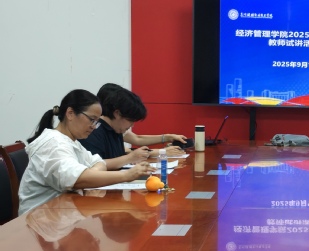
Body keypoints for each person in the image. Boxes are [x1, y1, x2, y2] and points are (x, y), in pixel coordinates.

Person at [18, 89, 154, 215]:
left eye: (97, 122)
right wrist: (127, 175)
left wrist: (90, 173)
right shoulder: (53, 144)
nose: (94, 127)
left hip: (62, 212)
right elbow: (76, 179)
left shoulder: (72, 141)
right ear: (70, 113)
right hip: (40, 219)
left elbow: (98, 162)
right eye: (92, 120)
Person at [80, 83, 187, 168]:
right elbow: (94, 165)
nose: (132, 125)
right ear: (117, 114)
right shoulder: (93, 131)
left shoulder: (116, 129)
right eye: (130, 120)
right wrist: (130, 158)